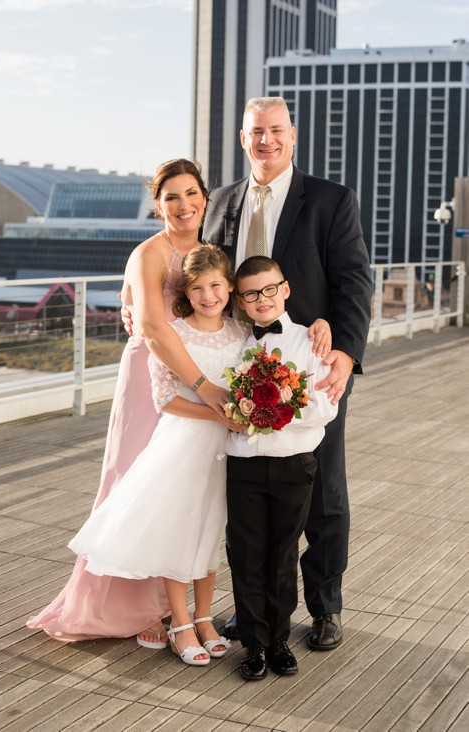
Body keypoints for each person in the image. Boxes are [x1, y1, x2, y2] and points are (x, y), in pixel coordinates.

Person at [27, 160, 238, 646]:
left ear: (205, 197)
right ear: (157, 205)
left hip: (202, 367)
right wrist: (205, 386)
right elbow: (150, 324)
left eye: (191, 194)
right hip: (153, 376)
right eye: (171, 198)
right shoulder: (150, 253)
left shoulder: (212, 253)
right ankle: (132, 605)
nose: (183, 206)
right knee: (134, 483)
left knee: (183, 490)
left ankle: (171, 607)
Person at [202, 97, 372, 650]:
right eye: (256, 131)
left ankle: (325, 608)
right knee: (246, 499)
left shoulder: (329, 200)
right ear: (243, 137)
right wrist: (139, 303)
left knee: (323, 491)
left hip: (311, 361)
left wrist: (344, 351)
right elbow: (200, 274)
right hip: (234, 361)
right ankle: (252, 610)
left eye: (276, 131)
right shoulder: (222, 201)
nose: (266, 140)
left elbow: (353, 279)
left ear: (292, 136)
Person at [69, 245, 248, 665]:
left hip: (225, 447)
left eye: (216, 286)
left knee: (209, 532)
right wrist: (218, 414)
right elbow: (165, 399)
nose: (208, 296)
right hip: (183, 442)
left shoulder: (242, 334)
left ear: (229, 287)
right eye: (199, 288)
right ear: (187, 291)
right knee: (180, 530)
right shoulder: (175, 333)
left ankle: (205, 619)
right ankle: (180, 623)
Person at [226, 256, 338, 680]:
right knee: (247, 554)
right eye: (252, 294)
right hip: (244, 463)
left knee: (283, 554)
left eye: (269, 289)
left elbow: (326, 406)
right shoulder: (234, 344)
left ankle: (278, 639)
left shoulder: (312, 342)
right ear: (240, 299)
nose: (262, 300)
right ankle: (253, 644)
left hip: (295, 462)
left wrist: (280, 409)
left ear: (285, 290)